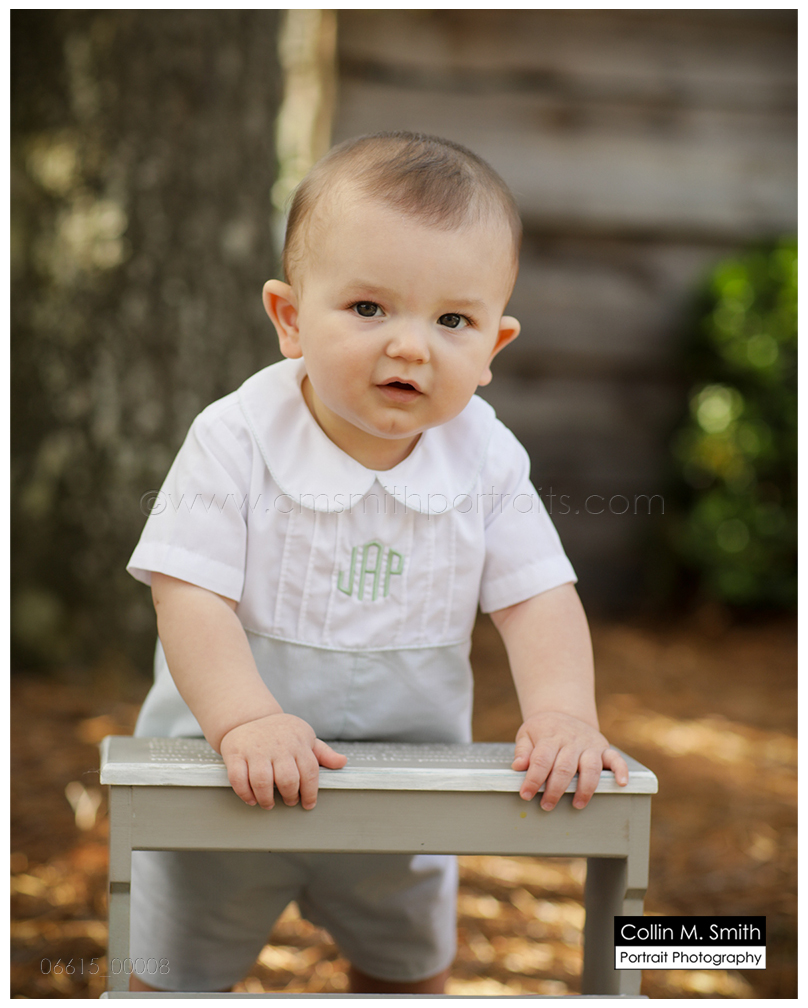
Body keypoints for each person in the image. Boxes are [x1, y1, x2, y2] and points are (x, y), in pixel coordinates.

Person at [126, 131, 629, 994]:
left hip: (409, 787)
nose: (410, 347)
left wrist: (563, 715)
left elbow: (538, 597)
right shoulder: (234, 438)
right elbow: (188, 591)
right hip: (224, 777)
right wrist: (245, 720)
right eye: (369, 308)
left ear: (494, 346)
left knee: (407, 972)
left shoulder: (486, 457)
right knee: (172, 975)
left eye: (452, 321)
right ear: (290, 318)